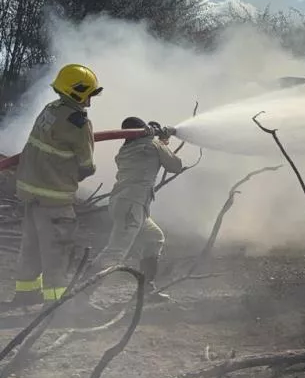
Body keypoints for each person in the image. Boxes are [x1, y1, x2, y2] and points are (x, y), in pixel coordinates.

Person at [10, 64, 101, 306]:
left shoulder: (49, 110)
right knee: (57, 251)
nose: (90, 101)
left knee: (31, 246)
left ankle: (26, 293)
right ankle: (57, 304)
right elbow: (87, 165)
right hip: (54, 199)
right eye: (89, 94)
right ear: (77, 91)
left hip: (30, 194)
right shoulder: (79, 123)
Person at [99, 117, 183, 302]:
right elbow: (176, 166)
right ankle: (81, 296)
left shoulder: (125, 149)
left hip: (126, 204)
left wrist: (157, 140)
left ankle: (146, 290)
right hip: (132, 206)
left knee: (154, 238)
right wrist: (161, 142)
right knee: (114, 252)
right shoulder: (152, 145)